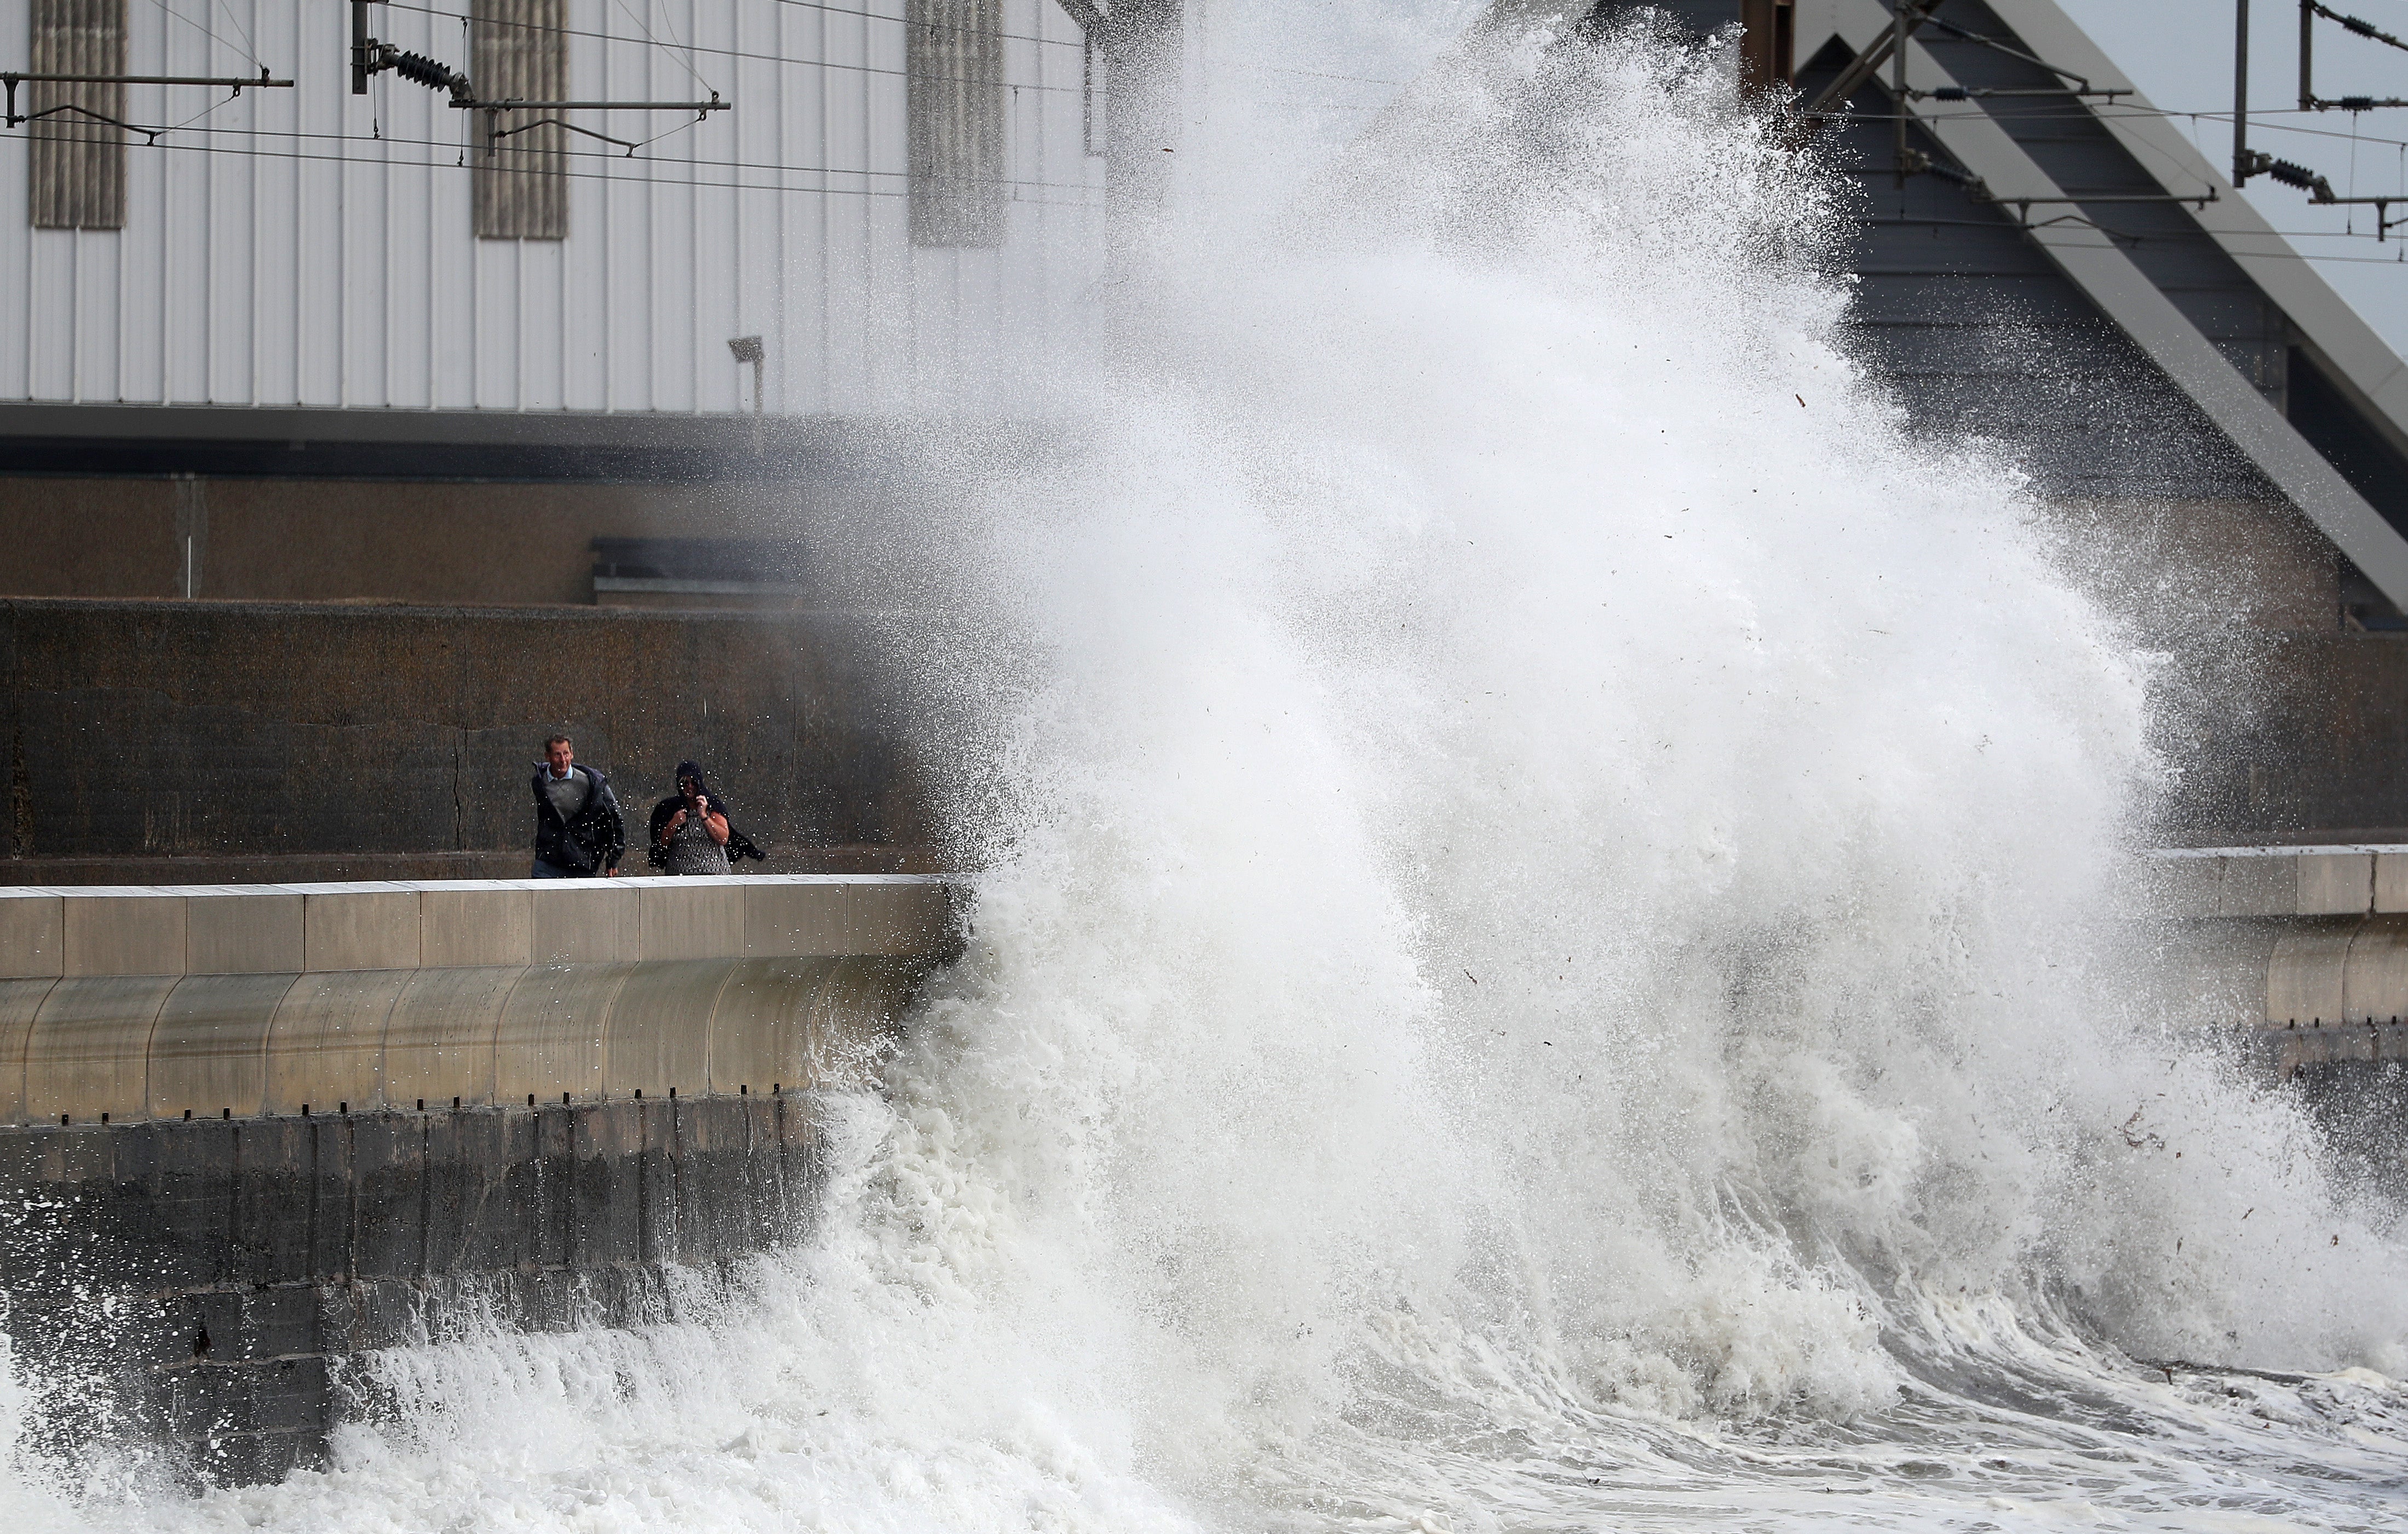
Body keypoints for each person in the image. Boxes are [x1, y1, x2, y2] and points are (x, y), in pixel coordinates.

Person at [530, 735, 626, 878]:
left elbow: (613, 818)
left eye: (566, 754)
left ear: (572, 754)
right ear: (547, 756)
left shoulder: (592, 782)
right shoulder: (539, 782)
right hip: (548, 859)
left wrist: (613, 858)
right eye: (557, 755)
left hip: (582, 859)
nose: (563, 760)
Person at [648, 760, 766, 874]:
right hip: (680, 878)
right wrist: (674, 824)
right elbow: (661, 844)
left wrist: (704, 816)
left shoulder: (712, 805)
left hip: (713, 875)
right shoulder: (669, 808)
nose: (690, 787)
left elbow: (723, 838)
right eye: (685, 783)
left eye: (693, 782)